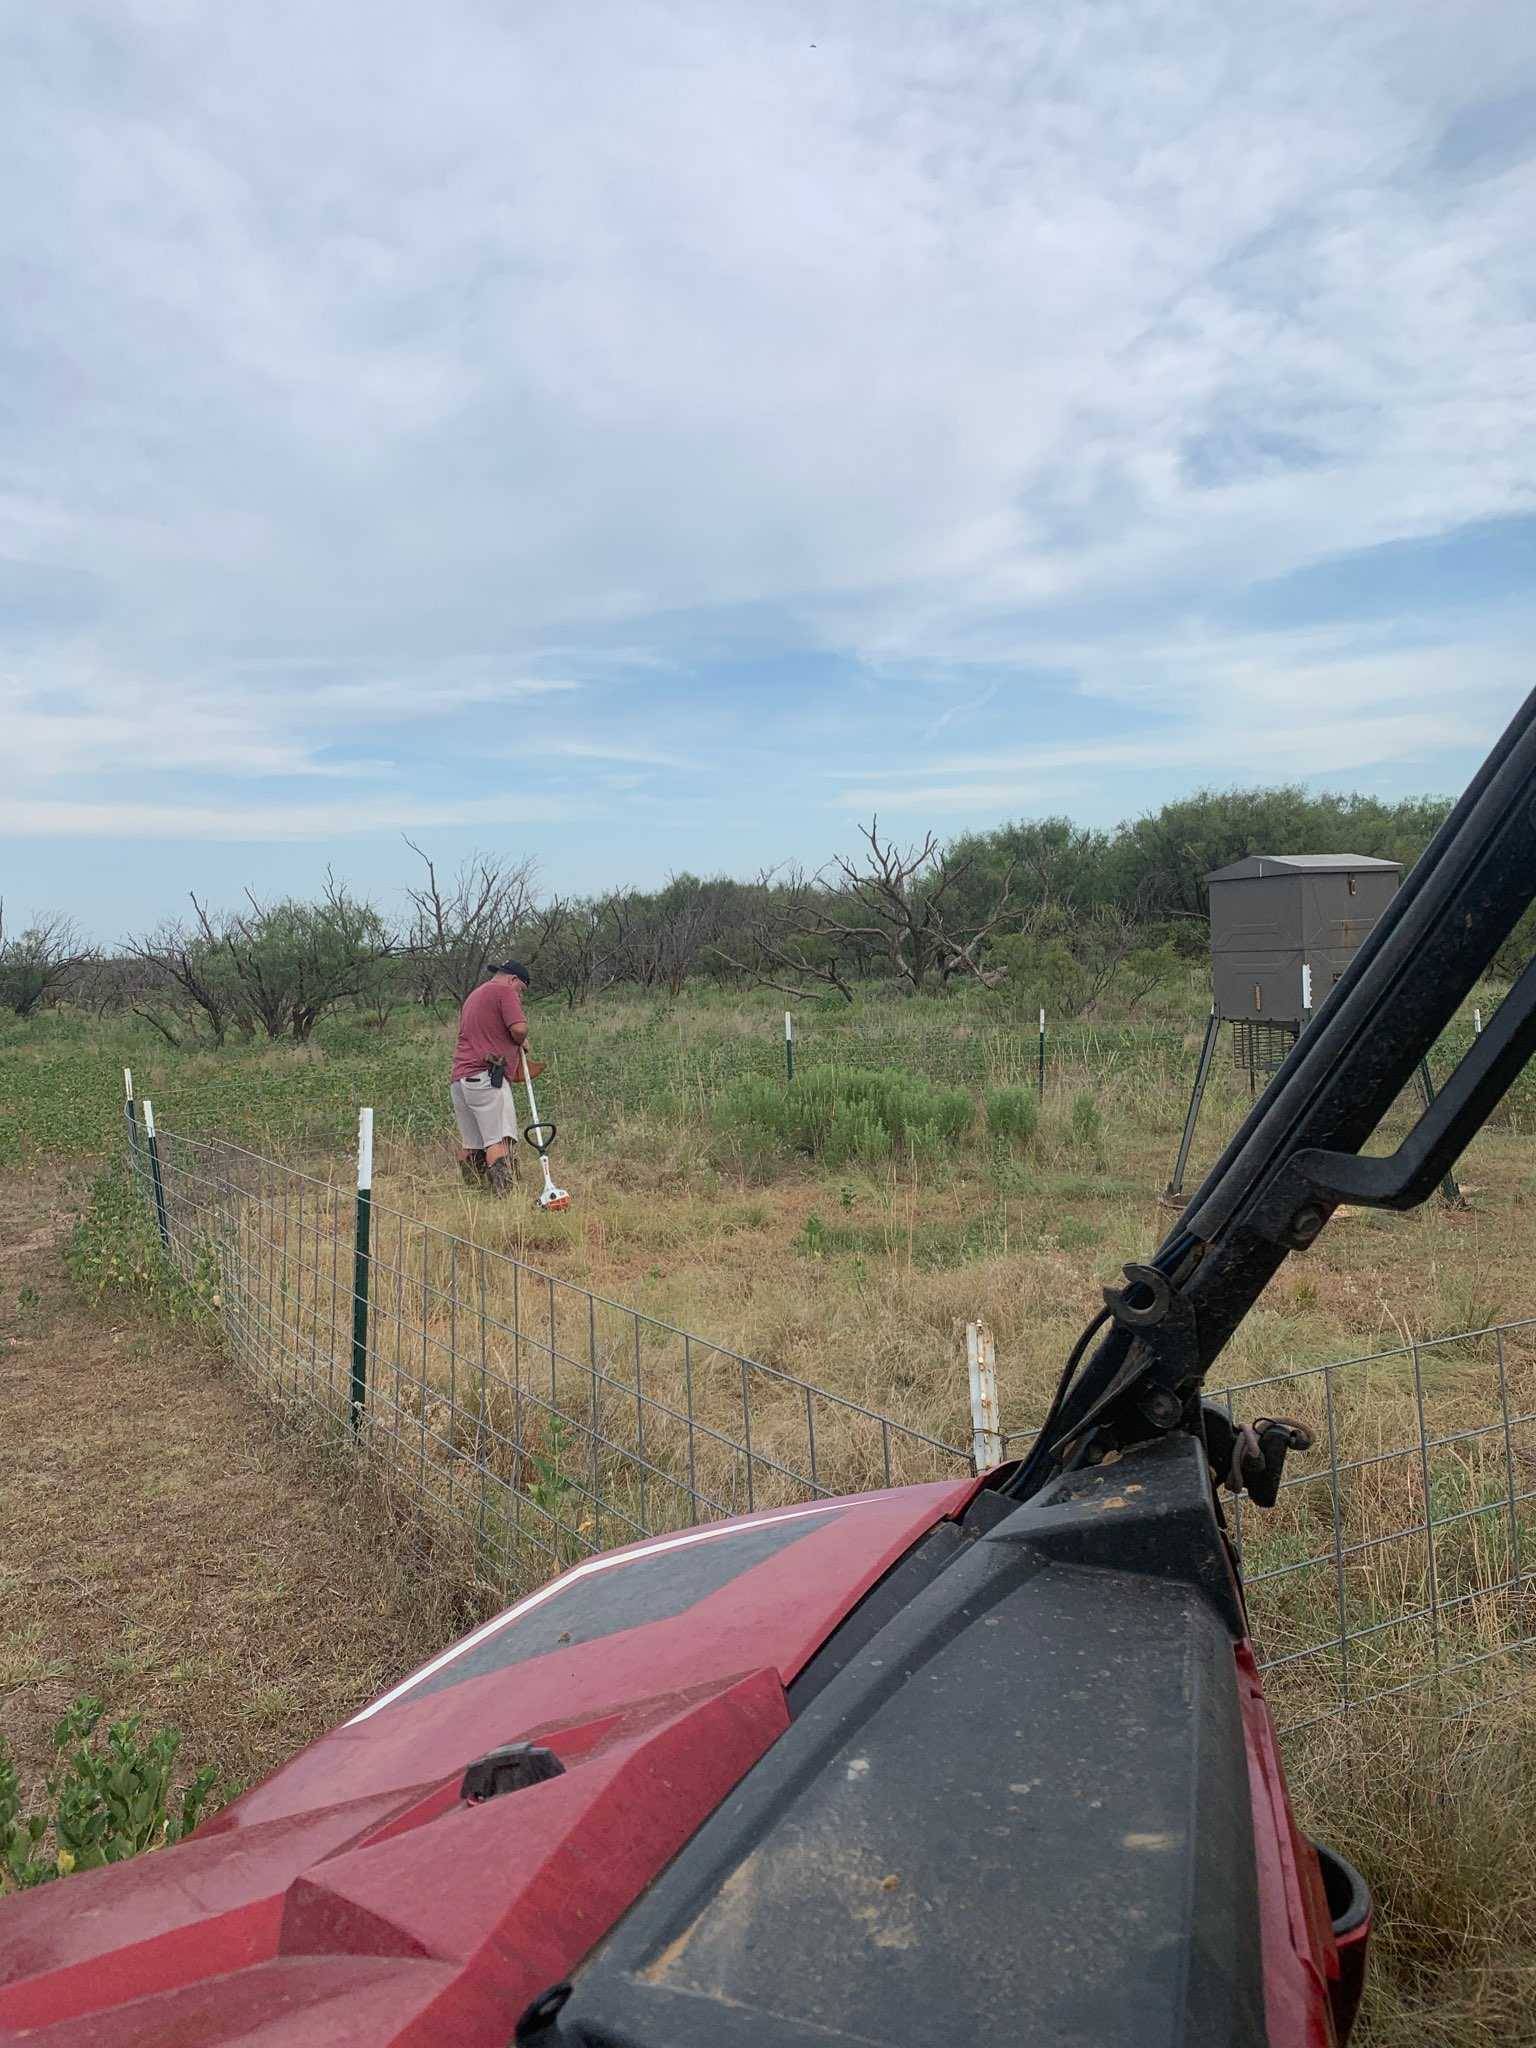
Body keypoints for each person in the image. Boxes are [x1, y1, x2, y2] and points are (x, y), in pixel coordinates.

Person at [450, 960, 534, 1196]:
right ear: (513, 980)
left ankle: (476, 1194)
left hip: (460, 1079)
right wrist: (520, 1040)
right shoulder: (504, 991)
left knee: (472, 1143)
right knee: (499, 1139)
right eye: (521, 990)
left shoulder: (474, 996)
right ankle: (506, 1197)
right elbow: (519, 1029)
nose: (519, 996)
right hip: (487, 1076)